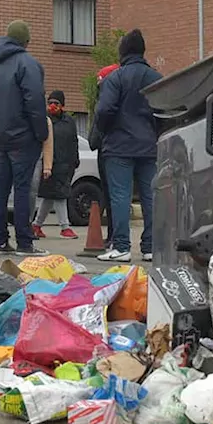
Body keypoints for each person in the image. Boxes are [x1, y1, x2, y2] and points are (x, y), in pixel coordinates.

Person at [95, 29, 163, 263]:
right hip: (149, 146)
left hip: (119, 146)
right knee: (151, 197)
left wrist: (106, 130)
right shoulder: (157, 79)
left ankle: (122, 246)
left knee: (120, 197)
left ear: (123, 51)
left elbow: (104, 110)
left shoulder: (116, 78)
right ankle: (151, 247)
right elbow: (167, 112)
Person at [0, 20, 48, 256]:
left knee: (2, 187)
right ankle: (24, 241)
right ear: (26, 41)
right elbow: (35, 102)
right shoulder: (28, 64)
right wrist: (41, 133)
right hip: (23, 136)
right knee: (22, 189)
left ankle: (0, 240)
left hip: (1, 136)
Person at [33, 90, 80, 239]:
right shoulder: (44, 121)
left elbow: (74, 141)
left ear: (63, 106)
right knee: (59, 196)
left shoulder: (69, 122)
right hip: (49, 165)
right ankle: (64, 227)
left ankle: (36, 225)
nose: (53, 106)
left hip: (66, 165)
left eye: (56, 103)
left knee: (50, 197)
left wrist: (75, 160)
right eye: (50, 103)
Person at [87, 64, 117, 244]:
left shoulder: (107, 101)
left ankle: (115, 237)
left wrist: (94, 140)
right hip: (108, 151)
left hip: (108, 152)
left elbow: (99, 126)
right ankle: (114, 235)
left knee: (113, 196)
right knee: (112, 196)